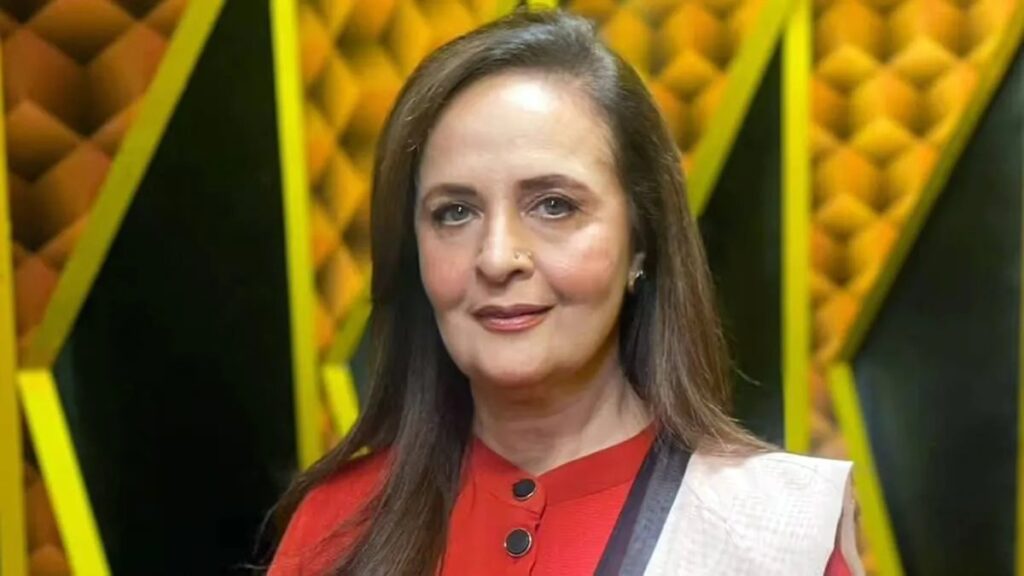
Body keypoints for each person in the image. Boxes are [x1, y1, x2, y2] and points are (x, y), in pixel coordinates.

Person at [269, 9, 860, 576]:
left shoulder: (775, 534)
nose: (497, 257)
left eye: (554, 205)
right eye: (454, 212)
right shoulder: (338, 523)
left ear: (640, 241)